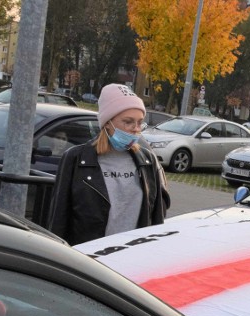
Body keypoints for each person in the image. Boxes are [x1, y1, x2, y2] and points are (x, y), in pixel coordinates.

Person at [46, 83, 169, 245]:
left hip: (132, 259)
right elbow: (58, 219)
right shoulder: (75, 158)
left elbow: (156, 220)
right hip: (88, 259)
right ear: (107, 123)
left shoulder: (146, 161)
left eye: (140, 123)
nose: (135, 129)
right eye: (128, 122)